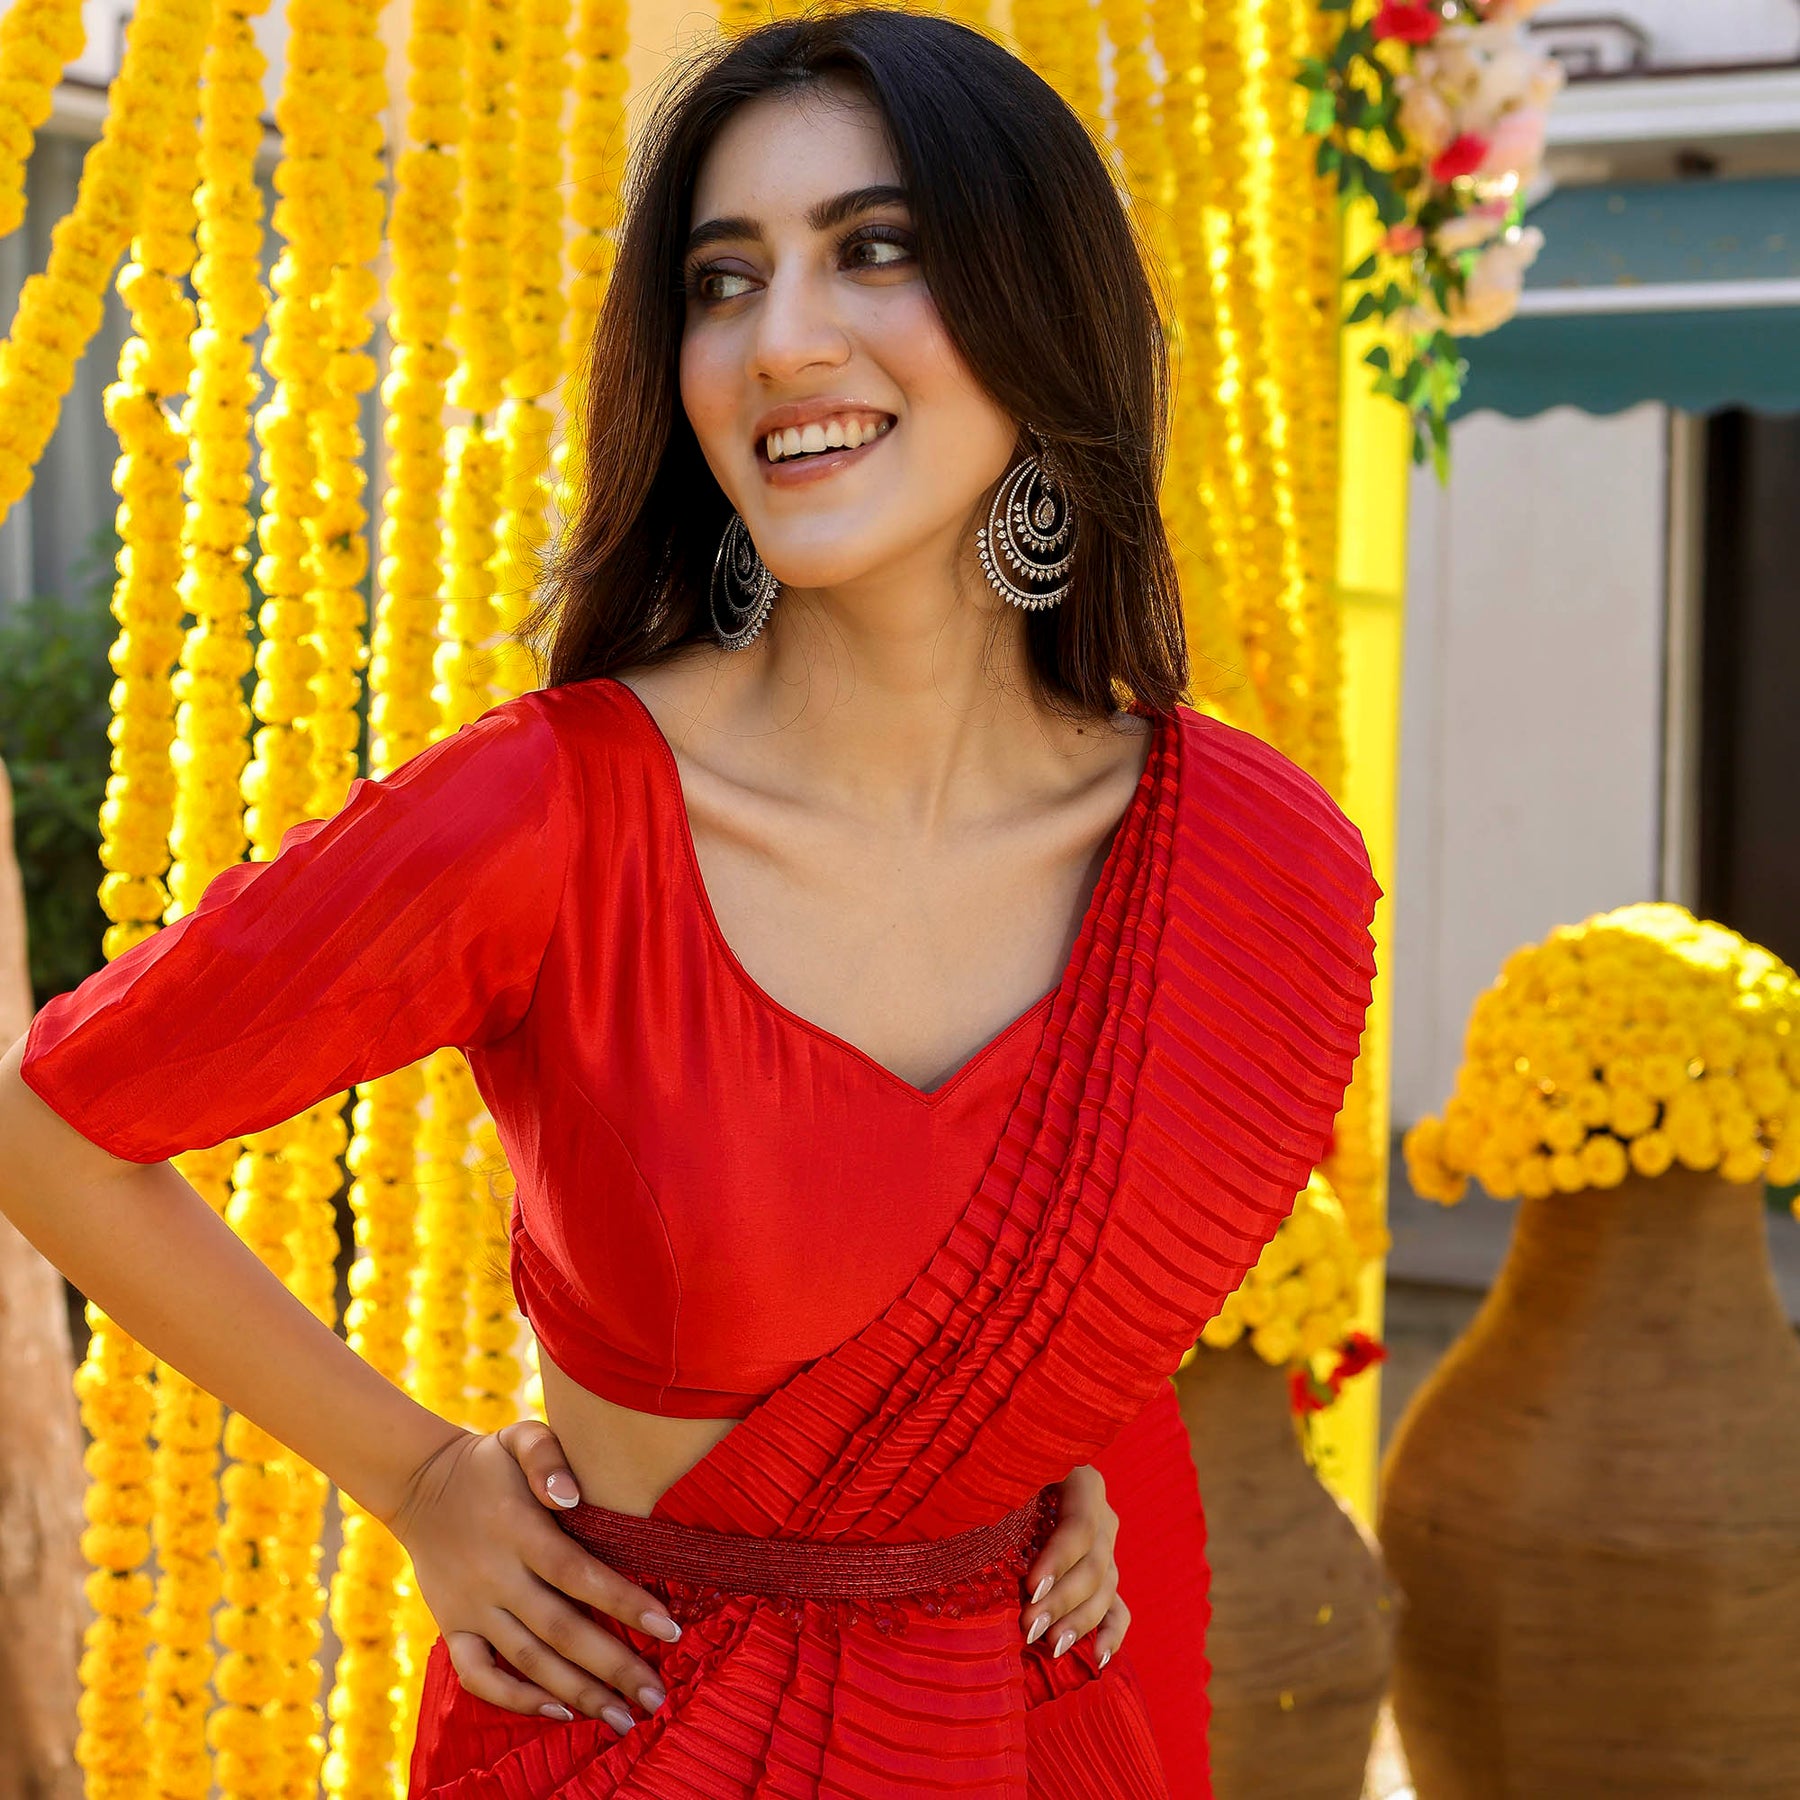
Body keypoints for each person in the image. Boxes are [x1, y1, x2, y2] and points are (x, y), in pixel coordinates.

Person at [0, 11, 1378, 1797]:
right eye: (724, 281)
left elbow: (1054, 1295)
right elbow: (52, 1123)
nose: (781, 340)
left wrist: (1029, 1461)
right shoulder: (555, 810)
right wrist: (415, 1479)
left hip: (1034, 1722)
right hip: (642, 1742)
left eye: (874, 249)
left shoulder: (1242, 861)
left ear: (1046, 313)